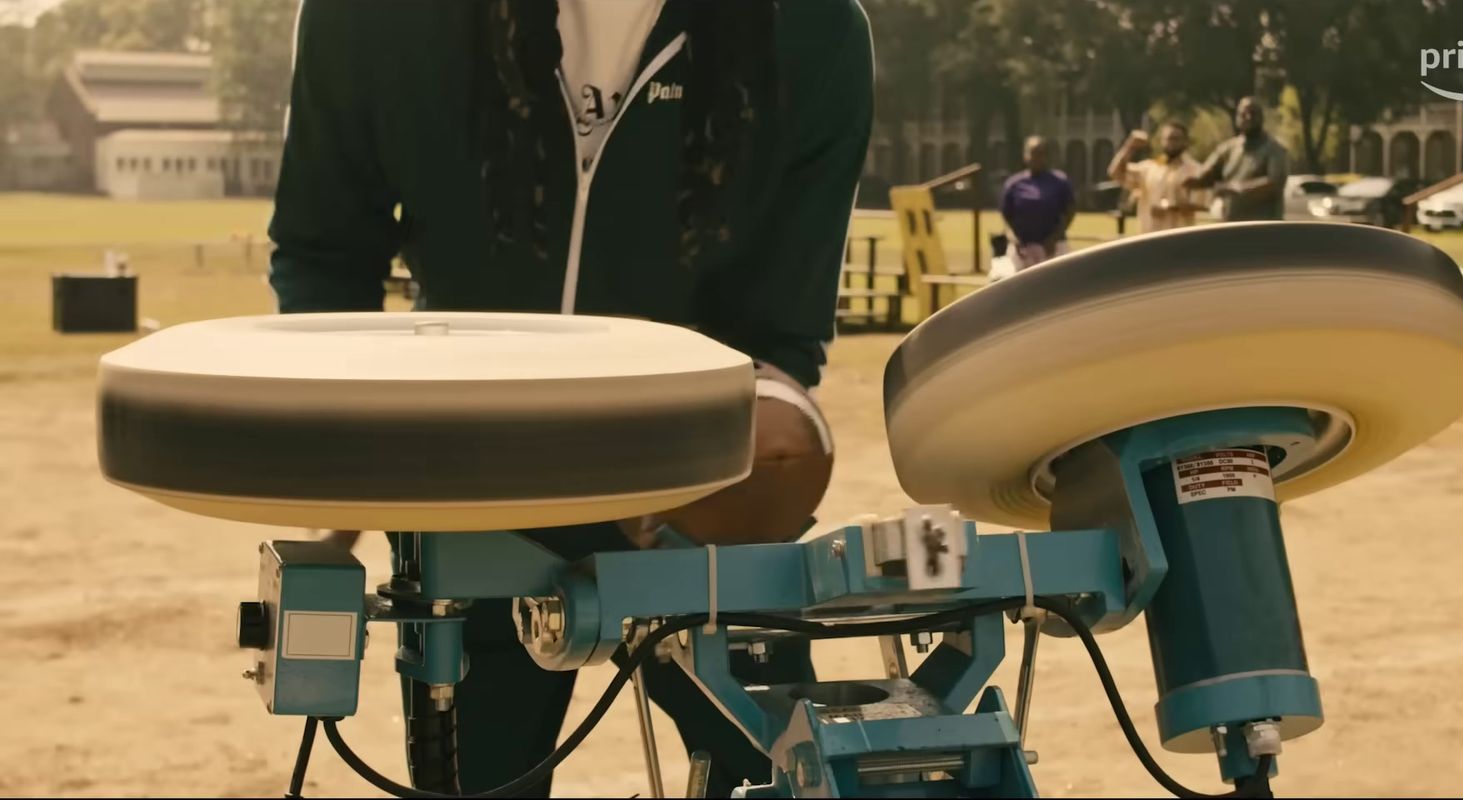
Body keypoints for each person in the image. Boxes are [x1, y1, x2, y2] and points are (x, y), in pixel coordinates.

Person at [267, 1, 873, 796]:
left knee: (772, 776)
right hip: (468, 491)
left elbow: (781, 329)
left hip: (698, 490)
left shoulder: (808, 26)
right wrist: (348, 445)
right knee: (473, 782)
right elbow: (323, 251)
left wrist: (719, 471)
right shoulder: (377, 16)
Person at [1185, 96, 1289, 221]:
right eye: (1243, 114)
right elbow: (1205, 177)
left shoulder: (1275, 149)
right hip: (1231, 224)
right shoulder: (1227, 149)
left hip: (1264, 227)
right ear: (1237, 117)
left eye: (1253, 114)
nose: (1248, 117)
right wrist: (1185, 178)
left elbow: (1275, 183)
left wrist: (1236, 188)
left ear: (1262, 118)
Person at [1107, 122, 1206, 233]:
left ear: (1186, 142)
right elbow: (1115, 172)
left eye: (1176, 139)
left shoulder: (1195, 170)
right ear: (1161, 141)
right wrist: (1130, 146)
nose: (1171, 143)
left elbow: (1200, 205)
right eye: (1168, 139)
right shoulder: (1150, 168)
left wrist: (1169, 208)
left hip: (1180, 238)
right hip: (1149, 237)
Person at [999, 135, 1076, 271]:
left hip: (1052, 248)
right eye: (1032, 153)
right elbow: (1006, 216)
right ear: (1025, 156)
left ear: (1046, 156)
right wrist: (1013, 239)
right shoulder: (1013, 184)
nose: (1036, 158)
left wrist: (1054, 238)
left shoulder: (1060, 182)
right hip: (1022, 249)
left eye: (1040, 154)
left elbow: (1070, 211)